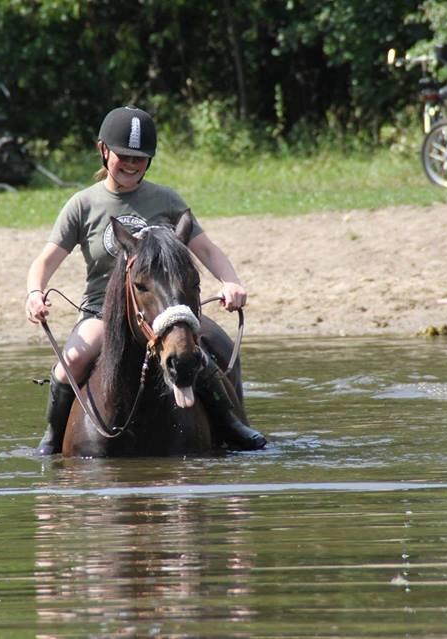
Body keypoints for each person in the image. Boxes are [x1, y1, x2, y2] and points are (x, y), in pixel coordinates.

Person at [25, 105, 266, 455]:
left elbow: (206, 249)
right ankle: (53, 437)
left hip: (166, 306)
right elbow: (45, 261)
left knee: (205, 353)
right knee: (70, 365)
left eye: (139, 158)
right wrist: (35, 292)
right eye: (123, 155)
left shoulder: (166, 200)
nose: (131, 164)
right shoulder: (83, 205)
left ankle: (231, 423)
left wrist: (230, 281)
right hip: (102, 314)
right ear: (103, 150)